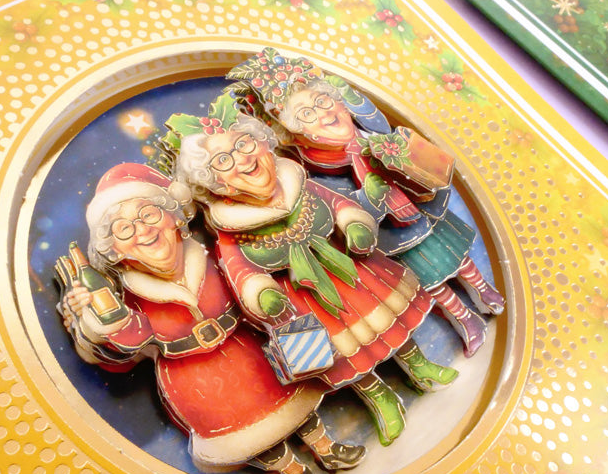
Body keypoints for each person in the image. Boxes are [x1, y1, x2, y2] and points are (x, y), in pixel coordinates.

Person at [169, 91, 458, 448]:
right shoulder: (231, 229)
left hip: (354, 273)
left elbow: (337, 204)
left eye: (244, 144)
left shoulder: (300, 184)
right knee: (343, 354)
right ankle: (380, 397)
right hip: (304, 300)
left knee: (390, 318)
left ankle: (418, 364)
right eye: (224, 161)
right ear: (216, 183)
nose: (242, 159)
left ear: (264, 146)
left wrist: (353, 223)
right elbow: (239, 271)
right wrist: (261, 294)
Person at [56, 162, 365, 474]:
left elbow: (247, 284)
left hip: (249, 353)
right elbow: (132, 337)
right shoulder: (133, 300)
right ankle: (291, 470)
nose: (142, 230)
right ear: (115, 251)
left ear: (174, 217)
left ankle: (325, 447)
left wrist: (271, 304)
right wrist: (104, 322)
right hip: (195, 383)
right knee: (249, 435)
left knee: (293, 405)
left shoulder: (214, 257)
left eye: (148, 214)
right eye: (124, 229)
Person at [227, 48, 505, 356]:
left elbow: (376, 119)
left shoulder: (367, 131)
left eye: (323, 101)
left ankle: (482, 289)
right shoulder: (314, 171)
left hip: (417, 200)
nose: (323, 114)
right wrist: (368, 198)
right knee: (429, 277)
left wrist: (356, 102)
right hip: (391, 232)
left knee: (454, 252)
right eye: (307, 115)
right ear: (297, 134)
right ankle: (465, 317)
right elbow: (343, 206)